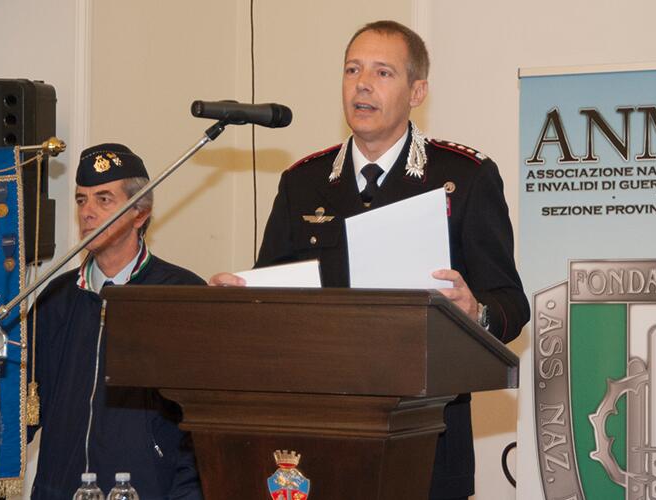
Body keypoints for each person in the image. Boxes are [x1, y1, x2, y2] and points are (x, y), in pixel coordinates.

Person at [210, 20, 529, 499]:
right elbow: (274, 295)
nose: (362, 84)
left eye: (382, 73)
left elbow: (512, 304)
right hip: (319, 433)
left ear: (417, 90)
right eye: (352, 70)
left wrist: (475, 312)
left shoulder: (463, 177)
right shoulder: (304, 182)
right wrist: (244, 298)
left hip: (427, 436)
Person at [30, 143, 204, 499]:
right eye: (82, 200)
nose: (87, 212)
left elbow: (200, 422)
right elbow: (25, 408)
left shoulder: (181, 295)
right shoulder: (56, 298)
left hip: (146, 488)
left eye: (104, 199)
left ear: (140, 213)